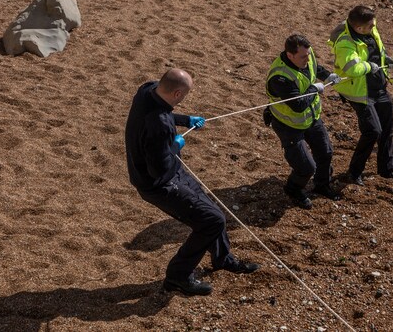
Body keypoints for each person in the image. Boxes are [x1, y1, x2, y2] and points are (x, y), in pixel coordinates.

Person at [125, 68, 261, 297]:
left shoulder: (147, 90)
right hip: (159, 184)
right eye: (185, 95)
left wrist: (185, 120)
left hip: (172, 173)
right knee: (212, 221)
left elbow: (165, 115)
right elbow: (159, 168)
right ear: (177, 94)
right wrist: (176, 145)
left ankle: (222, 258)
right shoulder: (158, 125)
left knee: (211, 211)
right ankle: (177, 277)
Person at [265, 34, 340, 209]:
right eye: (303, 57)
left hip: (311, 119)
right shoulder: (280, 77)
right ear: (290, 55)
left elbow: (314, 67)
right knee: (305, 167)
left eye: (308, 54)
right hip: (288, 125)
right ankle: (293, 189)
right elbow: (297, 105)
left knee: (325, 152)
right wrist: (314, 89)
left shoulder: (307, 55)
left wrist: (327, 76)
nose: (307, 59)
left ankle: (322, 185)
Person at [329, 5, 393, 185]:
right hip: (360, 93)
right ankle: (354, 173)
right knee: (372, 131)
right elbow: (352, 69)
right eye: (370, 26)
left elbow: (378, 50)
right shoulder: (345, 43)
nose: (374, 27)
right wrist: (370, 66)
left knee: (387, 129)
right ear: (359, 28)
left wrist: (386, 59)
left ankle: (386, 169)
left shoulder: (370, 27)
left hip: (379, 87)